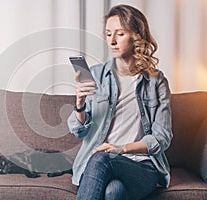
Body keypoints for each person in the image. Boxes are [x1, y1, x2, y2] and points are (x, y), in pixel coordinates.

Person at [67, 4, 173, 200]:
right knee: (113, 192)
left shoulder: (156, 82)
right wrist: (80, 103)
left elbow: (162, 137)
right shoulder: (97, 75)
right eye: (108, 34)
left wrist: (120, 149)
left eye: (120, 34)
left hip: (141, 167)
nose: (112, 41)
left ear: (136, 36)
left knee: (102, 158)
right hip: (100, 165)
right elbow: (79, 130)